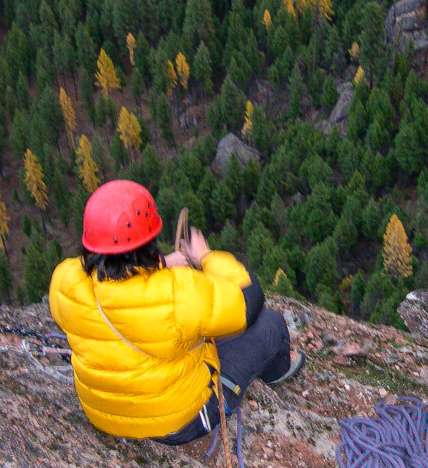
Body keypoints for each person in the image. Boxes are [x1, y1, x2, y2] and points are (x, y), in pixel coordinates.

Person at [49, 180, 303, 446]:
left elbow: (118, 287)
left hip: (101, 414)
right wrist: (205, 256)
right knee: (270, 324)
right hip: (177, 422)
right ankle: (279, 370)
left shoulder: (65, 281)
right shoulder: (175, 293)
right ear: (149, 241)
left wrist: (161, 264)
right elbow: (247, 299)